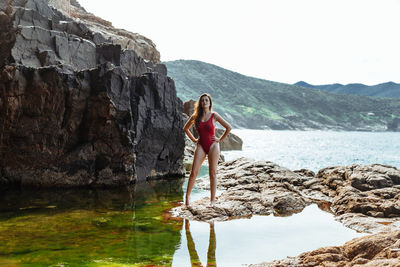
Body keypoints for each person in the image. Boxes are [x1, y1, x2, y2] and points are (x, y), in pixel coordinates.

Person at [183, 93, 232, 207]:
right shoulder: (195, 116)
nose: (204, 102)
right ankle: (187, 198)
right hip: (201, 145)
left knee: (212, 174)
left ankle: (212, 201)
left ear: (210, 103)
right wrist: (194, 140)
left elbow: (228, 127)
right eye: (202, 100)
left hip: (213, 146)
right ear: (200, 103)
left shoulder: (214, 115)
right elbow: (185, 128)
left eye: (207, 100)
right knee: (193, 172)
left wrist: (219, 139)